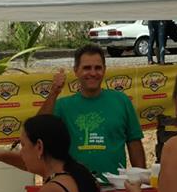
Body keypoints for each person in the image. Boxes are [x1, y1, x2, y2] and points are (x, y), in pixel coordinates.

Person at [38, 43, 146, 177]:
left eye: (98, 68)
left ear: (104, 70)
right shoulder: (62, 105)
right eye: (87, 68)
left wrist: (141, 180)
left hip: (114, 185)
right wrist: (54, 92)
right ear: (76, 70)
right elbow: (37, 131)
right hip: (73, 185)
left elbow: (134, 143)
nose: (93, 73)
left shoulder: (122, 101)